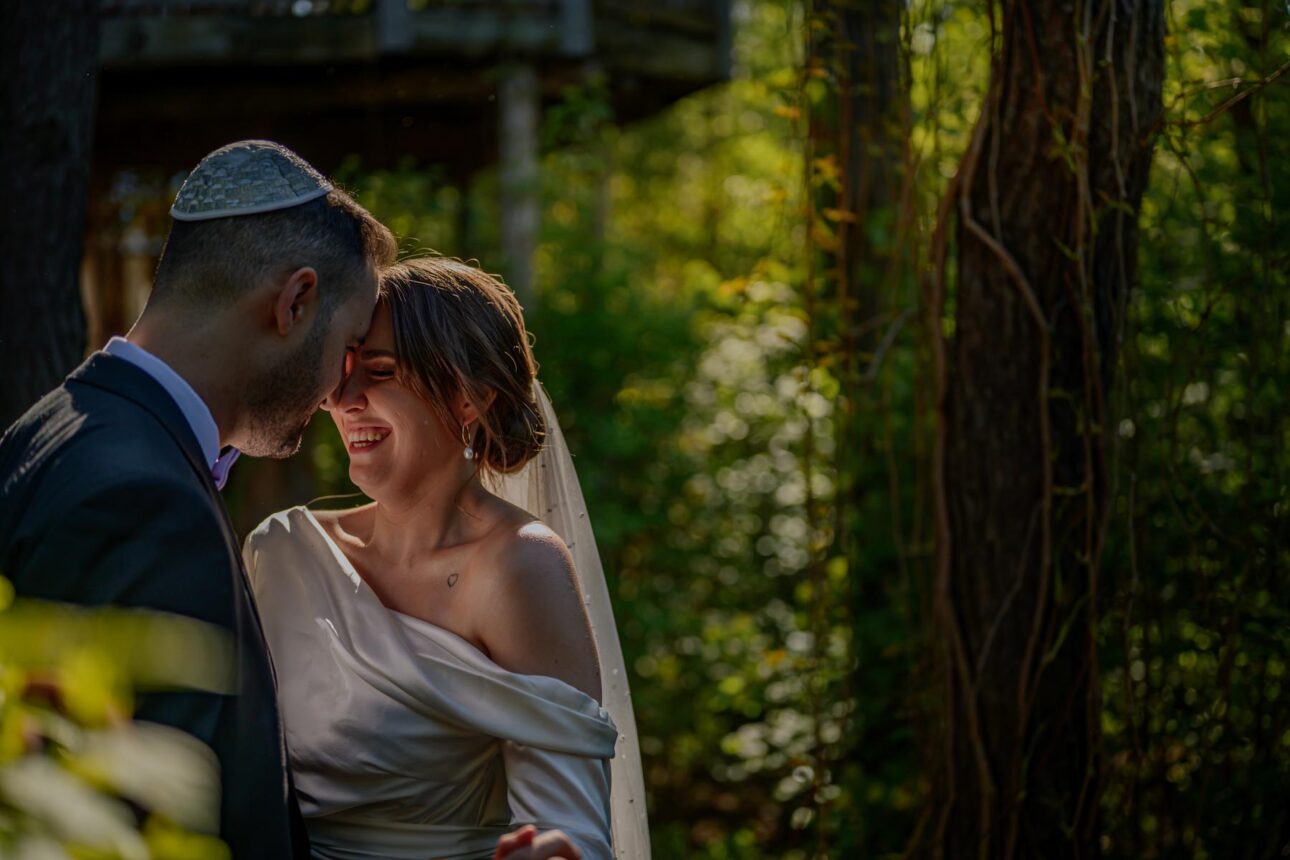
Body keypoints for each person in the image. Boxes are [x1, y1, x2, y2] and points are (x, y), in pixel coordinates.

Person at [0, 142, 588, 860]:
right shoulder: (146, 500)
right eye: (344, 349)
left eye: (372, 368)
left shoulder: (51, 431)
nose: (337, 395)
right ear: (295, 302)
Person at [242, 258, 650, 860]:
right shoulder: (280, 555)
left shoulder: (518, 566)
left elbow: (577, 829)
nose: (341, 399)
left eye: (379, 372)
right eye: (341, 372)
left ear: (469, 398)